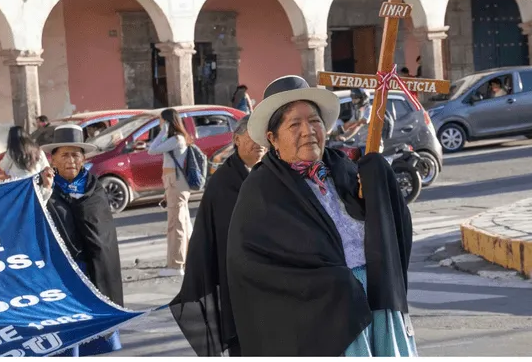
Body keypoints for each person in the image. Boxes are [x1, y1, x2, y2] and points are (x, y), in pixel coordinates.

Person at [226, 75, 416, 356]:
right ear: (272, 138)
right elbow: (251, 266)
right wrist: (332, 284)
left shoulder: (344, 169)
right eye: (294, 124)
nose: (308, 130)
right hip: (325, 315)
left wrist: (377, 183)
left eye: (314, 121)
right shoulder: (261, 191)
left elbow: (387, 227)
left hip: (377, 298)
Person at [169, 115, 266, 357]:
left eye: (263, 137)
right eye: (252, 137)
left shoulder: (272, 173)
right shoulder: (224, 183)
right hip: (239, 284)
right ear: (237, 140)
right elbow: (221, 238)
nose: (260, 143)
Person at [38, 124, 124, 356]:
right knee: (68, 340)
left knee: (94, 341)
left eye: (76, 155)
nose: (71, 161)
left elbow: (103, 238)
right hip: (61, 277)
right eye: (64, 155)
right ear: (52, 159)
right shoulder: (41, 188)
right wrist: (45, 193)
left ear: (84, 159)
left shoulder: (94, 190)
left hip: (93, 273)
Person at [147, 108, 194, 277]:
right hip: (175, 184)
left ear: (168, 122)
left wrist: (163, 132)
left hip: (176, 184)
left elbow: (152, 150)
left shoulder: (176, 139)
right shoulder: (175, 139)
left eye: (161, 121)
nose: (159, 124)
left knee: (176, 225)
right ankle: (188, 259)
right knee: (184, 223)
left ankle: (176, 266)